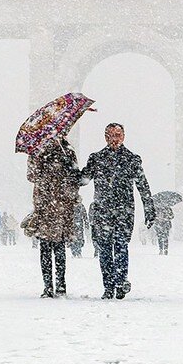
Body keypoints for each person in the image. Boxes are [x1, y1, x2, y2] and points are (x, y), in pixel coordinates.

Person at [80, 123, 155, 300]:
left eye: (118, 135)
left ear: (123, 137)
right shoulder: (96, 159)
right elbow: (83, 180)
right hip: (103, 211)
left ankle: (120, 282)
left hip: (124, 212)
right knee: (105, 249)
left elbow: (142, 185)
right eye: (111, 135)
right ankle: (108, 285)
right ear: (105, 137)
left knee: (121, 246)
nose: (114, 139)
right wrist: (70, 170)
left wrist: (149, 208)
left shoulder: (132, 159)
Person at [26, 135, 80, 298]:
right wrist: (39, 159)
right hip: (45, 205)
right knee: (46, 248)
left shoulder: (67, 150)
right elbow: (31, 176)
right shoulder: (38, 151)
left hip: (61, 205)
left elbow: (75, 177)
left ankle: (60, 284)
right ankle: (48, 285)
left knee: (59, 247)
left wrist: (67, 165)